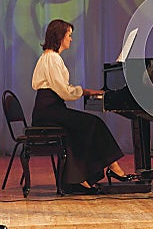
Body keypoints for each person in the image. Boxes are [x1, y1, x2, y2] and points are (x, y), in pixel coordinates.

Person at [32, 19, 135, 194]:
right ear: (60, 36)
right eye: (69, 35)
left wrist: (84, 91)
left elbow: (62, 90)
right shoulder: (52, 58)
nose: (71, 39)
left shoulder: (49, 57)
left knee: (84, 127)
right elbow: (64, 91)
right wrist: (86, 91)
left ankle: (79, 179)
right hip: (49, 111)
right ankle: (112, 168)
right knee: (93, 123)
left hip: (50, 109)